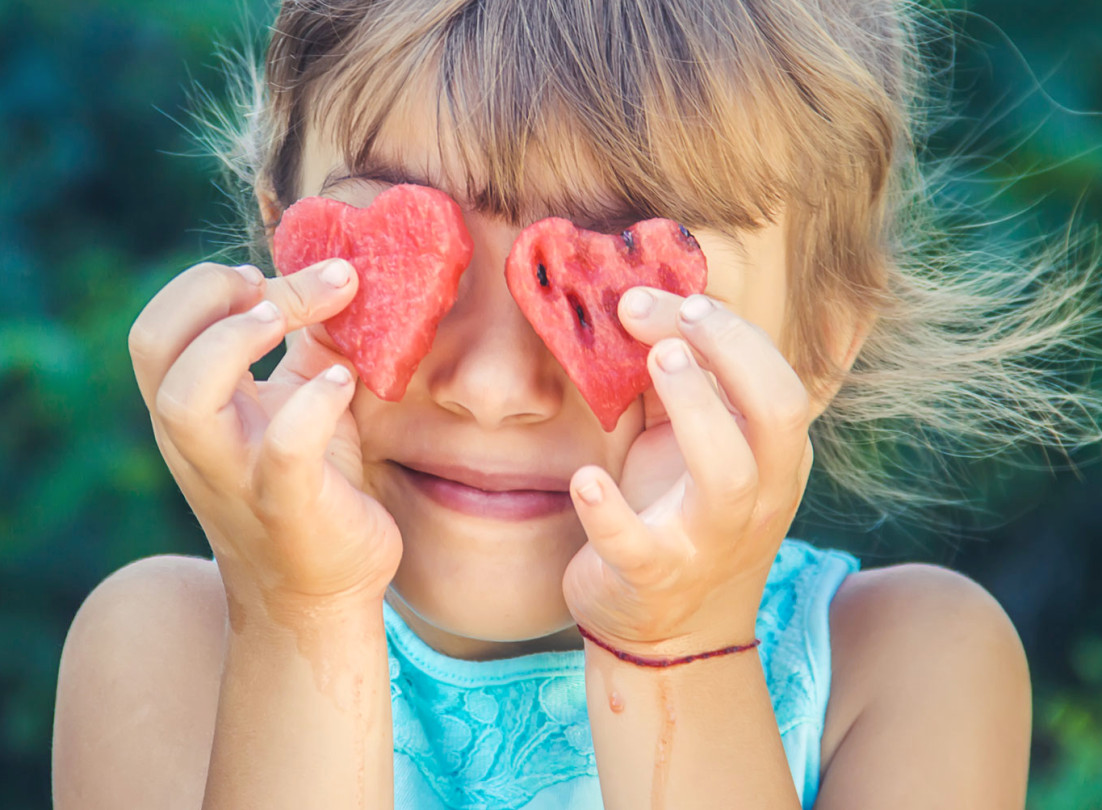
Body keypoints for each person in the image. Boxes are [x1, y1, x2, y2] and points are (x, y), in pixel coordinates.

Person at [51, 1, 1097, 808]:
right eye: (407, 270)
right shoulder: (168, 648)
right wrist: (298, 621)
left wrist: (677, 649)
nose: (495, 389)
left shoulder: (906, 666)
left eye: (622, 297)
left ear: (815, 343)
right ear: (284, 259)